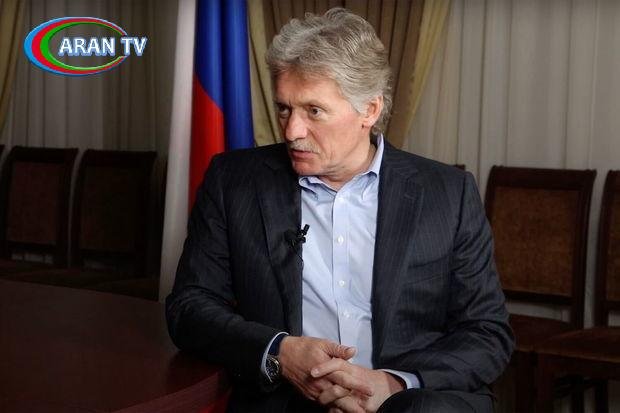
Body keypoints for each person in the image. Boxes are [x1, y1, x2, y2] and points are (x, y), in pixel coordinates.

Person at [166, 8, 513, 413]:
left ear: (369, 110)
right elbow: (189, 308)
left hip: (409, 402)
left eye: (314, 111)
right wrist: (280, 351)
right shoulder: (234, 181)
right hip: (286, 400)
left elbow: (487, 332)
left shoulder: (448, 194)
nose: (292, 130)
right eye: (284, 108)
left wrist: (393, 384)